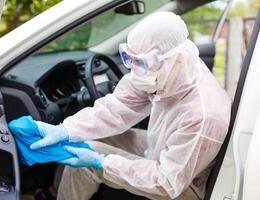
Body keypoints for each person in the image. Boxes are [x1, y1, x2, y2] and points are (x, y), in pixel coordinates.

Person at [28, 11, 231, 200]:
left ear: (175, 61)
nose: (136, 73)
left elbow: (166, 182)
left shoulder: (203, 114)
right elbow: (117, 107)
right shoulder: (168, 69)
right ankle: (56, 191)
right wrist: (65, 130)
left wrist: (102, 162)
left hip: (183, 183)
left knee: (87, 162)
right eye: (132, 61)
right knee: (87, 138)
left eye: (141, 64)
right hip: (162, 147)